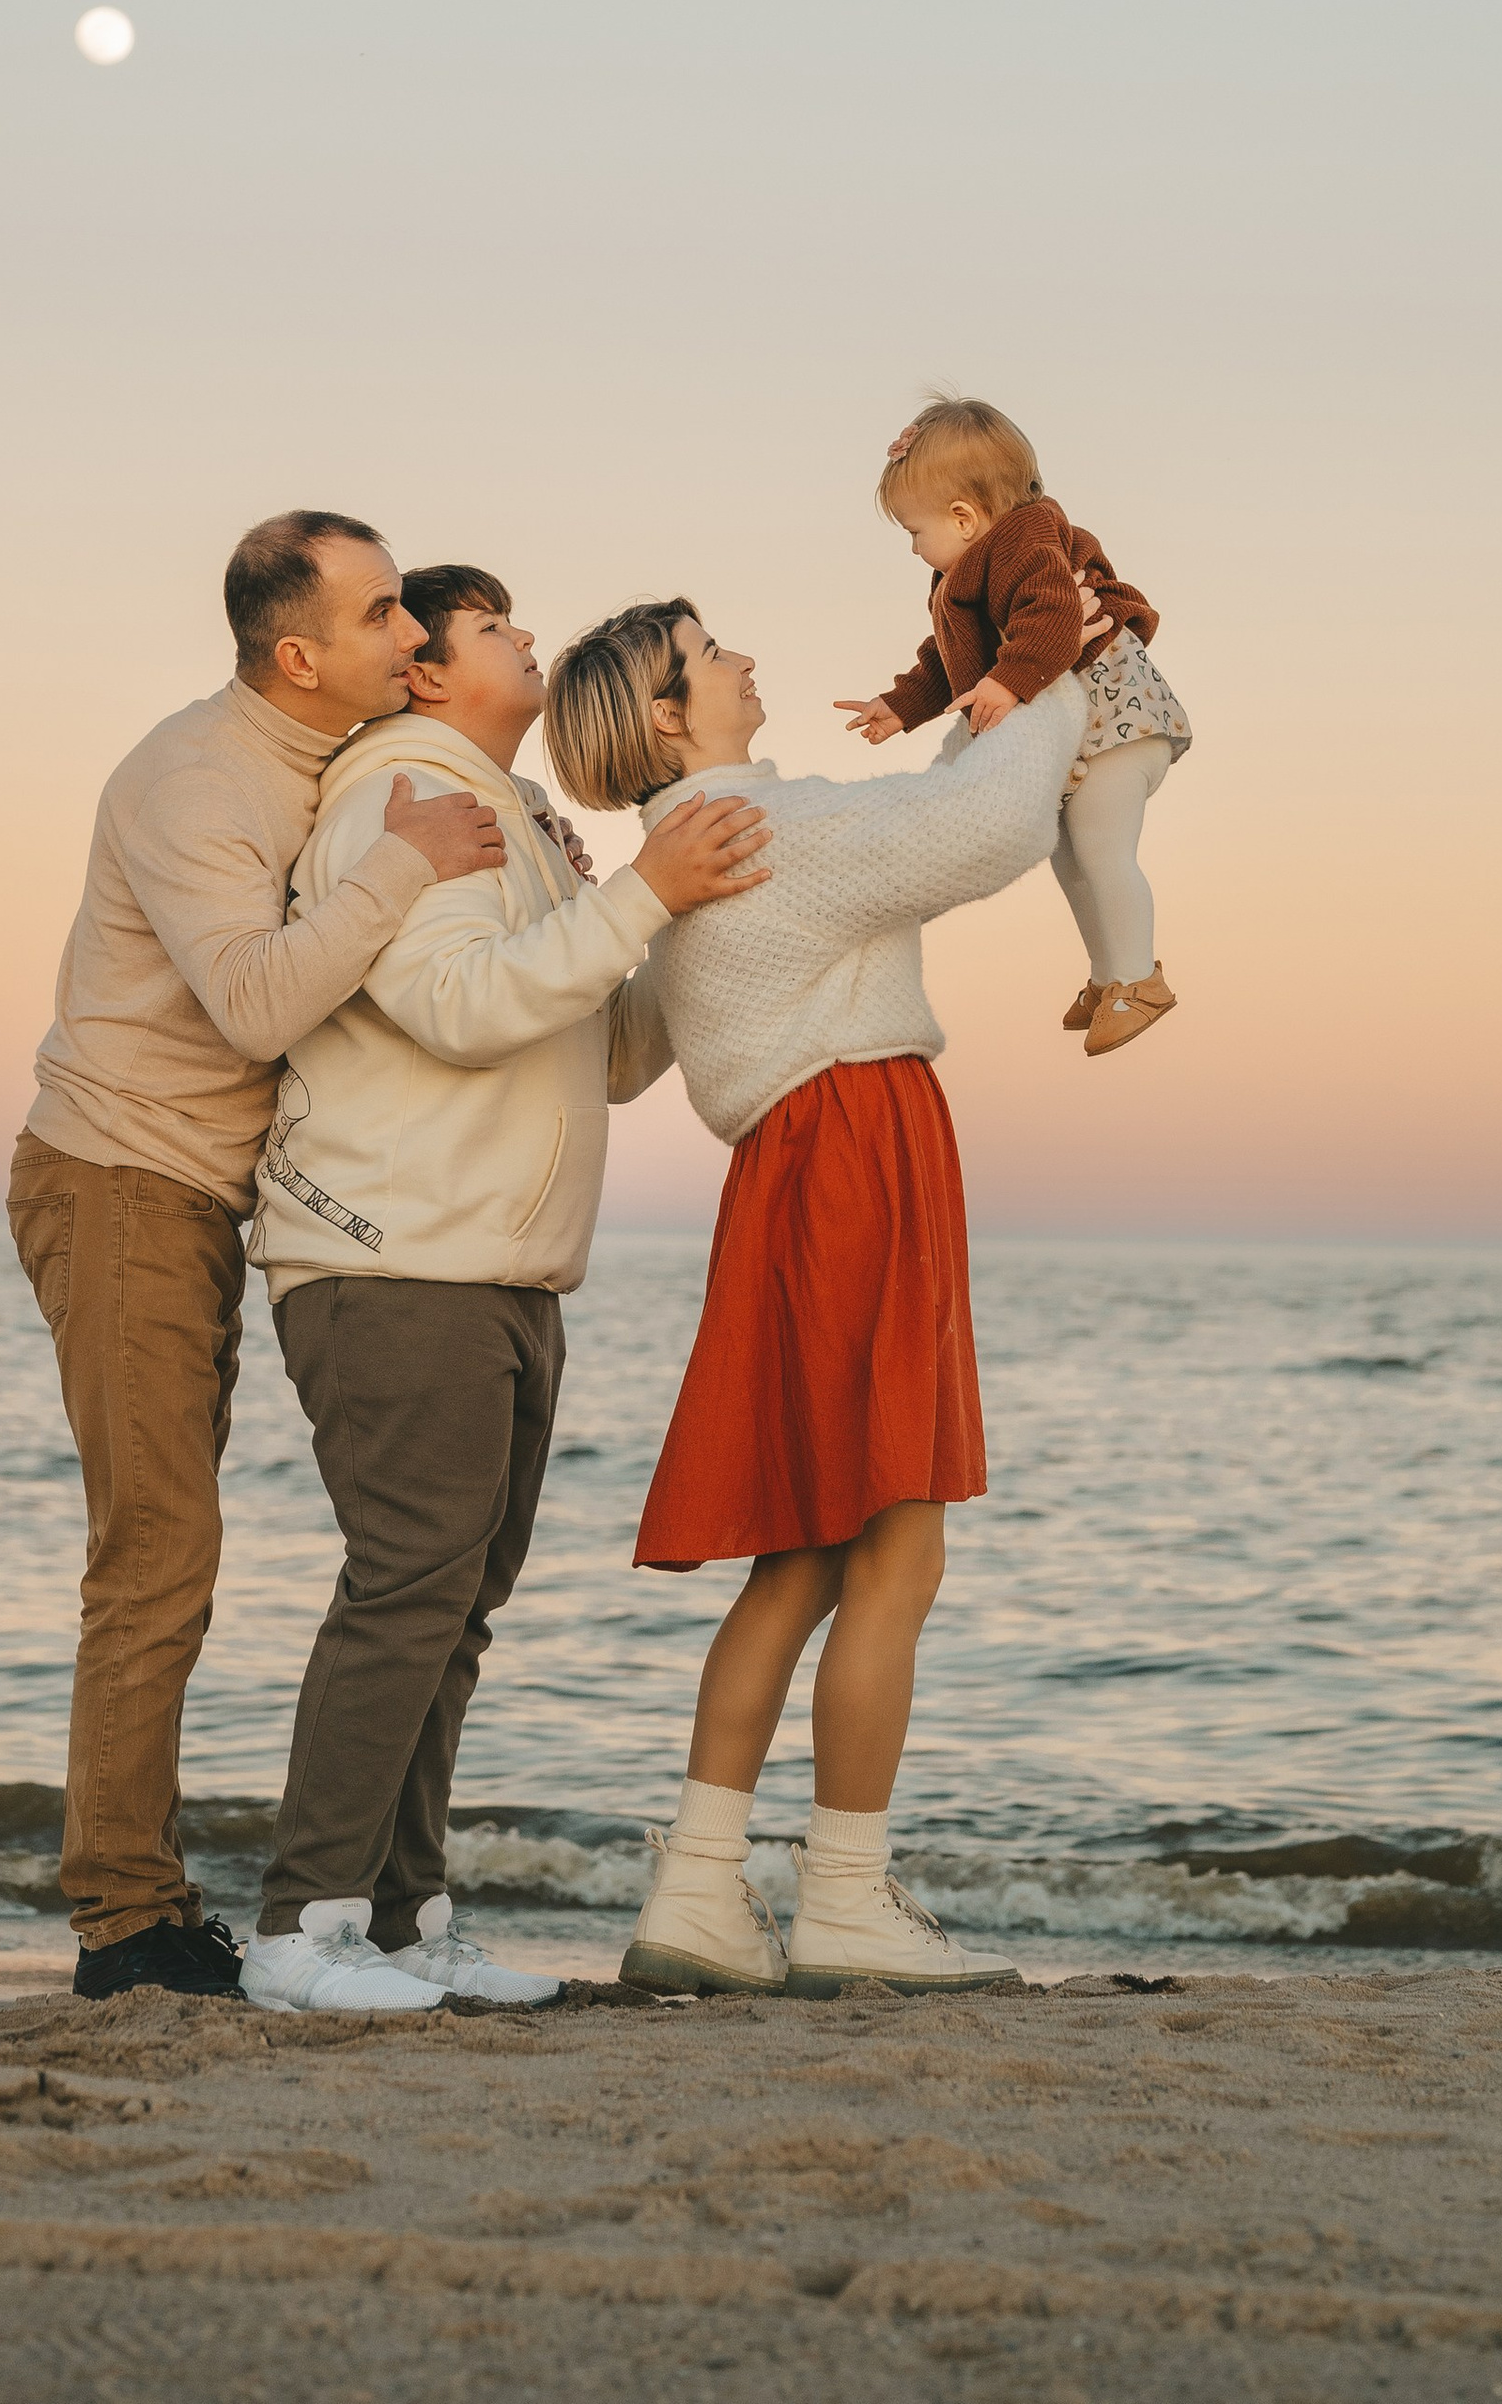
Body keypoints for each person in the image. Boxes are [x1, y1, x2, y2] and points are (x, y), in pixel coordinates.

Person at [545, 595, 1093, 1998]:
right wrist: (1061, 679)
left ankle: (696, 1896)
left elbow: (624, 1055)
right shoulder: (770, 833)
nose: (739, 658)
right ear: (672, 717)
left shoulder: (712, 858)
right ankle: (845, 1897)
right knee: (898, 1552)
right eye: (708, 651)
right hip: (858, 1157)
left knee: (797, 1558)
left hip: (791, 1175)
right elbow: (988, 830)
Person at [241, 567, 770, 2014]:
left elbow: (597, 1051)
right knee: (410, 1586)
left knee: (452, 1604)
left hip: (495, 1267)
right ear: (423, 674)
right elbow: (459, 1007)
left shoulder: (517, 818)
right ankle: (300, 1929)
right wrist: (642, 896)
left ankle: (406, 1925)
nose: (521, 635)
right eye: (485, 627)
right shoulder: (404, 794)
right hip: (397, 1257)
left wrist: (664, 915)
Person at [7, 512, 508, 2000]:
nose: (415, 632)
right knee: (157, 1548)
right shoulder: (193, 777)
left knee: (215, 1548)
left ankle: (260, 1898)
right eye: (380, 616)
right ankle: (124, 1919)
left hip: (216, 1200)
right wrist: (407, 866)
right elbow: (251, 1001)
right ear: (299, 654)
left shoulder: (337, 762)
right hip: (120, 1178)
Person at [837, 394, 1192, 1056]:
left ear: (964, 517)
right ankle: (1105, 974)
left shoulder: (1026, 543)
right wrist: (901, 706)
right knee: (1070, 855)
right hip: (1088, 729)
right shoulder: (972, 569)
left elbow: (1053, 617)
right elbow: (949, 659)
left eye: (915, 531)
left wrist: (1006, 680)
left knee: (1101, 846)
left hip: (1118, 720)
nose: (913, 547)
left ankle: (1141, 979)